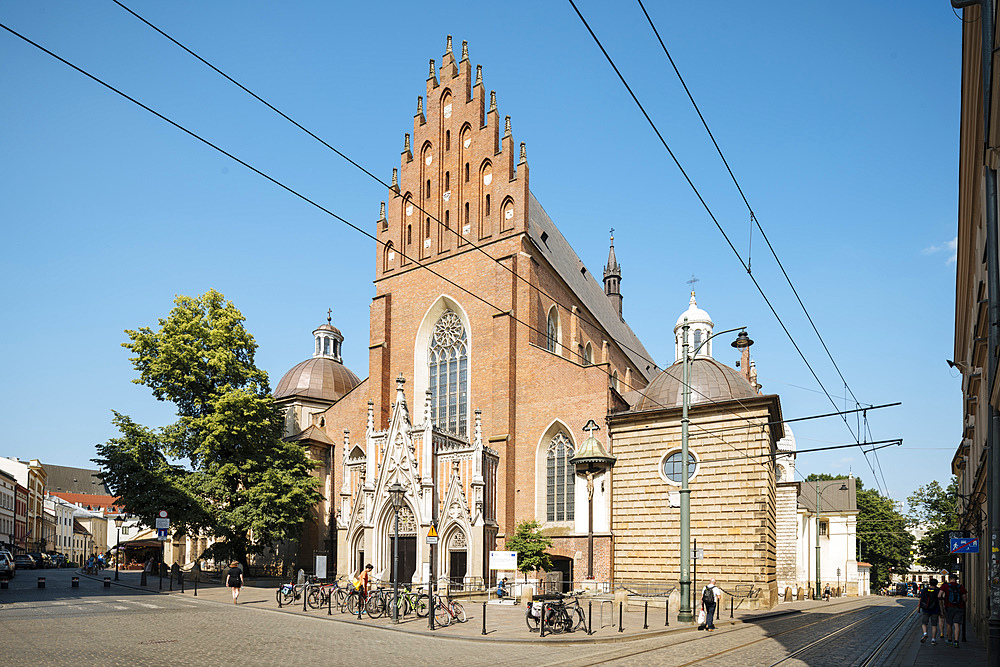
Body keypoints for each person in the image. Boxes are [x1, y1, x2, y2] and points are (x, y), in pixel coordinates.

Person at [939, 573, 967, 648]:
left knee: (949, 624)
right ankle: (956, 641)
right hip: (959, 607)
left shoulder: (945, 586)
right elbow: (965, 599)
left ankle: (950, 640)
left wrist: (944, 597)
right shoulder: (960, 587)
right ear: (956, 579)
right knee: (957, 624)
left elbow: (939, 595)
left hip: (949, 607)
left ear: (949, 579)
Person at [918, 577, 940, 645]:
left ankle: (925, 633)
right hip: (935, 610)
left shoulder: (924, 590)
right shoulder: (937, 591)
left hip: (925, 609)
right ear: (936, 584)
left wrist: (919, 608)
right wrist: (941, 611)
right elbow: (940, 601)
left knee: (924, 623)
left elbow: (920, 599)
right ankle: (933, 639)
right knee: (934, 625)